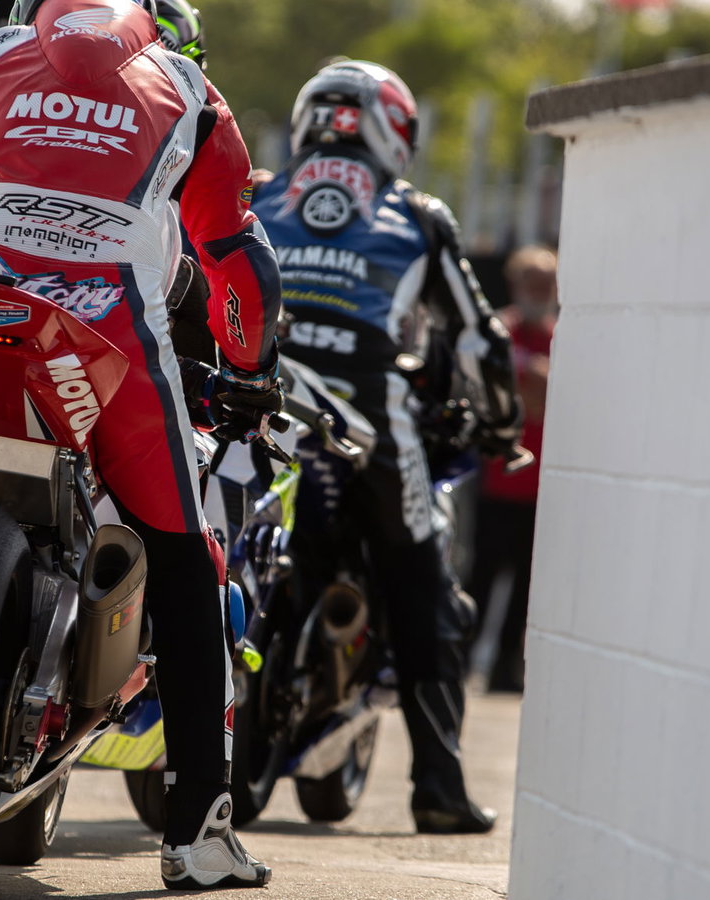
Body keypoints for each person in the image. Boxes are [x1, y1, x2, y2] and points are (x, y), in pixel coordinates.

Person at [0, 0, 281, 889]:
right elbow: (238, 261)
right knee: (191, 564)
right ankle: (198, 832)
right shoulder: (192, 91)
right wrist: (252, 371)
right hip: (108, 343)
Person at [249, 60, 523, 835]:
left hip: (261, 405)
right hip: (371, 418)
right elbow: (481, 340)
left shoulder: (262, 195)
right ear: (393, 130)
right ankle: (438, 789)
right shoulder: (417, 213)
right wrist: (502, 426)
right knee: (425, 594)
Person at [466, 245, 556, 695]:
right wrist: (536, 381)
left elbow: (542, 390)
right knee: (479, 578)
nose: (538, 291)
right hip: (496, 481)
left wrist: (533, 382)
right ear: (516, 283)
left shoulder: (560, 334)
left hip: (541, 490)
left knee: (525, 589)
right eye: (531, 282)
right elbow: (517, 386)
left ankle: (505, 669)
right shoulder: (499, 330)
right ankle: (461, 664)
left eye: (546, 283)